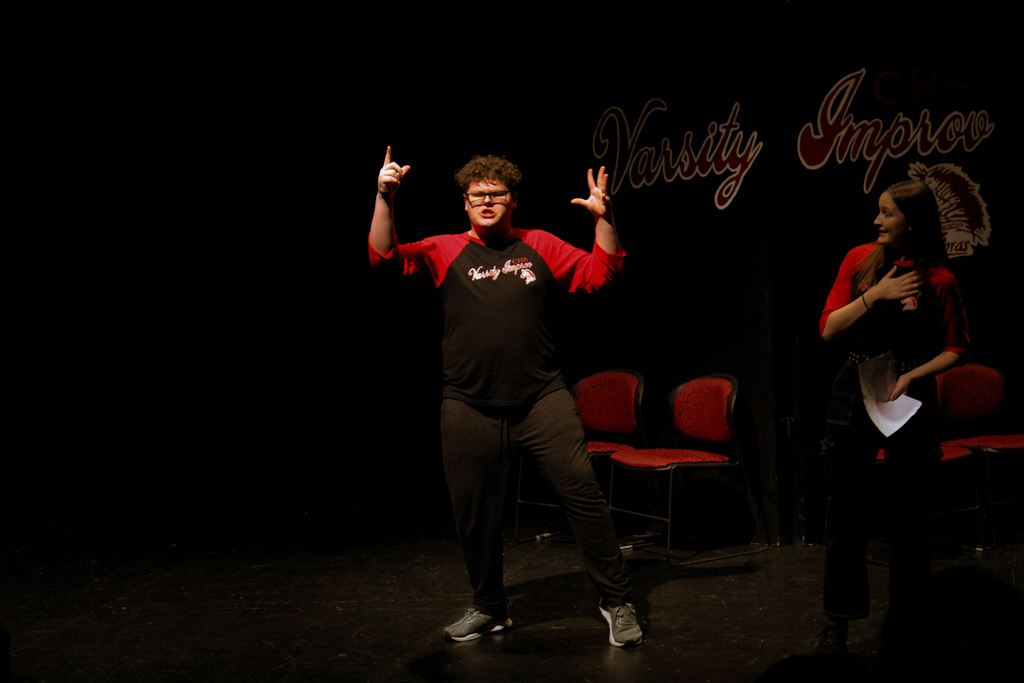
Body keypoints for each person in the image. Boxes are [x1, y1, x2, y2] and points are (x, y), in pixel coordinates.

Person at [368, 147, 643, 647]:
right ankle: (490, 607)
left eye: (496, 193)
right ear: (466, 204)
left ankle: (617, 601)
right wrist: (385, 196)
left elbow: (602, 275)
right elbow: (383, 257)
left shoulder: (539, 244)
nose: (487, 201)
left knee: (584, 497)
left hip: (541, 399)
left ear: (513, 199)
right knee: (474, 512)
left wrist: (605, 221)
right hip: (468, 403)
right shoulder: (444, 249)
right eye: (477, 195)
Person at [815, 180, 970, 654]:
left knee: (909, 517)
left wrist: (913, 376)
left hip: (907, 395)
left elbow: (956, 348)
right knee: (845, 516)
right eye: (878, 212)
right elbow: (828, 330)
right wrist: (876, 294)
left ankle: (909, 626)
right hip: (854, 391)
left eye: (887, 213)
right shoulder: (859, 260)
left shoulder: (939, 278)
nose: (877, 221)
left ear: (912, 221)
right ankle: (837, 624)